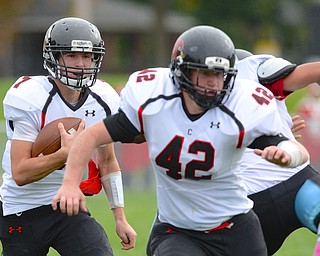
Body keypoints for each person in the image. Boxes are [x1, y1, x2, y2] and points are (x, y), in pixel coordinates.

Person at [52, 25, 309, 256]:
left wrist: (287, 154)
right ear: (182, 71)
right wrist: (70, 183)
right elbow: (91, 136)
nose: (213, 83)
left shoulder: (242, 104)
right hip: (178, 231)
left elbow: (295, 149)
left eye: (220, 74)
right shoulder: (154, 100)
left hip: (235, 226)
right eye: (205, 73)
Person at [0, 17, 136, 256]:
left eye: (87, 56)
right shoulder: (31, 97)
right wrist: (64, 154)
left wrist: (120, 217)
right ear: (53, 57)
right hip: (21, 209)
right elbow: (20, 173)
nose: (81, 64)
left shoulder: (103, 98)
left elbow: (107, 161)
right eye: (72, 55)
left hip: (68, 206)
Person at [235, 49, 320, 255]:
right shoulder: (254, 72)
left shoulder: (190, 99)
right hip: (295, 183)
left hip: (247, 202)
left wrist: (279, 132)